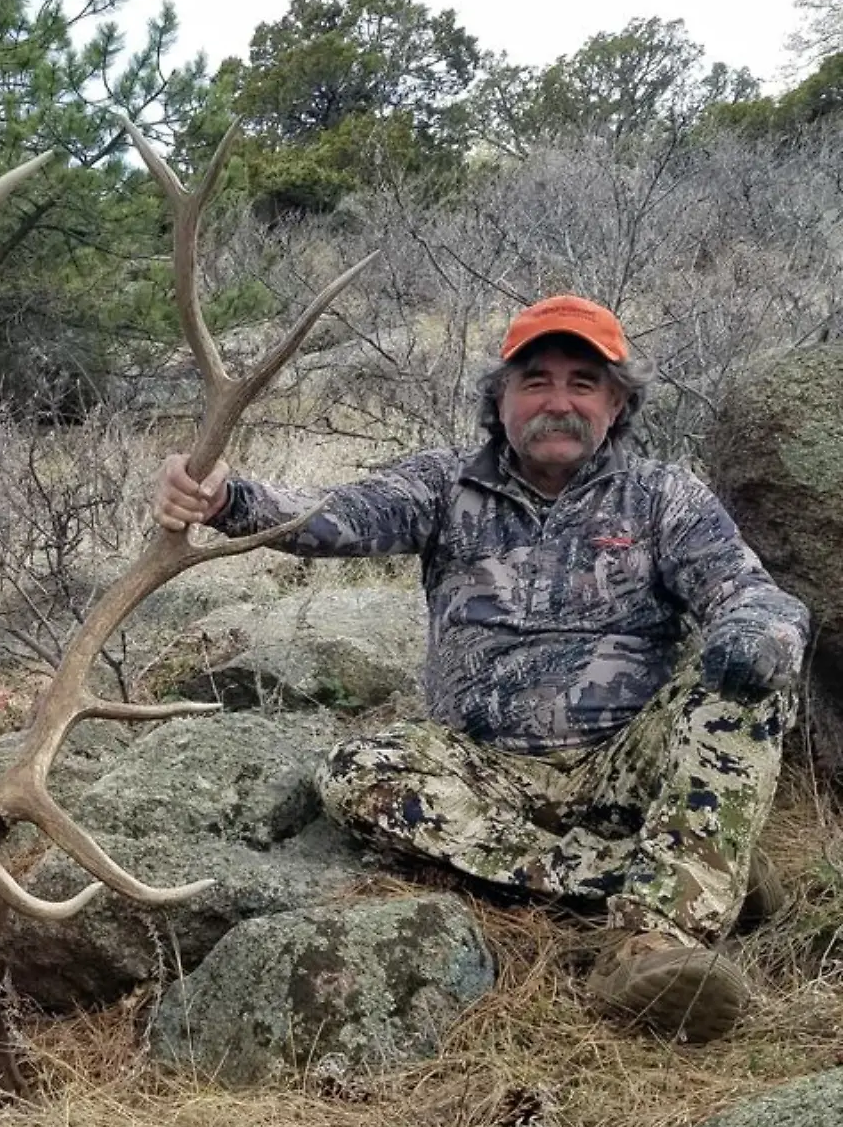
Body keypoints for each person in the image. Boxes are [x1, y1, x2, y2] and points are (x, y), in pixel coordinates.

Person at [153, 294, 809, 1042]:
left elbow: (752, 594)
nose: (558, 402)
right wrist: (225, 498)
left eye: (582, 383)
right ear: (500, 399)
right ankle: (698, 865)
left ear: (618, 404)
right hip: (482, 773)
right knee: (356, 772)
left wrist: (755, 633)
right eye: (536, 381)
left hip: (629, 766)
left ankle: (652, 941)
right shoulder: (444, 485)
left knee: (746, 690)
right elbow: (328, 517)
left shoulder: (663, 497)